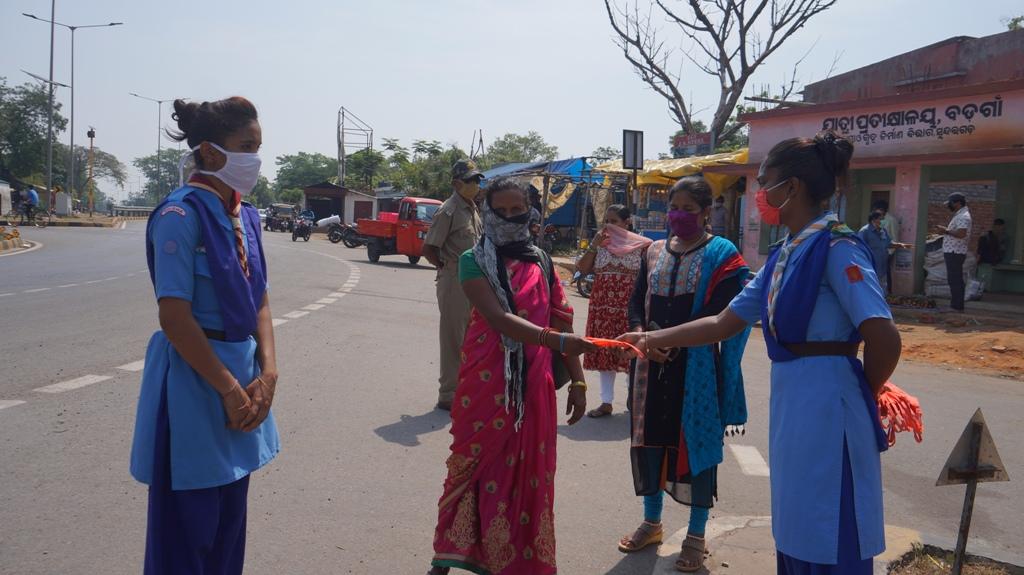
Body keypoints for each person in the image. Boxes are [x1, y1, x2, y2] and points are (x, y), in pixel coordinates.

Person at [619, 131, 903, 574]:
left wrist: (858, 397)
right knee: (796, 519)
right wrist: (652, 339)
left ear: (792, 187)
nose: (759, 194)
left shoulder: (836, 247)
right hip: (794, 401)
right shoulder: (786, 253)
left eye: (765, 181)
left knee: (831, 521)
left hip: (831, 402)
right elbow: (722, 323)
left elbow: (884, 338)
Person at [129, 96, 280, 575]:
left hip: (244, 376)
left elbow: (260, 300)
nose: (255, 158)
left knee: (228, 522)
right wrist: (231, 390)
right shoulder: (181, 215)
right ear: (211, 153)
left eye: (258, 146)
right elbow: (175, 319)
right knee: (186, 528)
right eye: (247, 146)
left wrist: (268, 374)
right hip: (196, 383)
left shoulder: (245, 215)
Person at [428, 177, 594, 575]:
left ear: (531, 210)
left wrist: (579, 379)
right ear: (486, 212)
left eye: (516, 209)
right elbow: (499, 319)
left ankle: (518, 560)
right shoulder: (473, 260)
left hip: (533, 382)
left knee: (528, 475)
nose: (507, 217)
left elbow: (562, 317)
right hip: (485, 383)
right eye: (498, 211)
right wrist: (554, 341)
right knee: (471, 465)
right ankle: (446, 556)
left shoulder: (543, 261)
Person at [614, 176, 750, 572]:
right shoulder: (653, 251)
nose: (679, 216)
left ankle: (695, 535)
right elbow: (637, 301)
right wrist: (642, 337)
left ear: (707, 212)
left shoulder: (723, 254)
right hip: (648, 367)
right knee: (650, 442)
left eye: (689, 209)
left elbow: (726, 313)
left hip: (696, 369)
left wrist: (671, 341)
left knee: (697, 450)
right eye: (675, 208)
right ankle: (652, 523)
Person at [576, 205, 649, 418]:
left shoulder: (643, 247)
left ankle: (633, 401)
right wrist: (594, 245)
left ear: (627, 223)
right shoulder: (601, 245)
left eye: (614, 221)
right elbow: (582, 268)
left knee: (630, 352)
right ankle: (606, 402)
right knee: (605, 353)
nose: (608, 226)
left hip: (629, 308)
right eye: (605, 221)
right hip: (601, 307)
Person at [423, 159, 485, 411]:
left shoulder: (471, 209)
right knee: (452, 338)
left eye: (478, 180)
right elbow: (429, 248)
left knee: (470, 338)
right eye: (471, 181)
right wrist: (447, 268)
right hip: (453, 280)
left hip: (473, 281)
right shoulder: (448, 209)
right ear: (457, 183)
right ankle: (448, 394)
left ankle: (465, 388)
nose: (477, 185)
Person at [936, 192, 972, 312]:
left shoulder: (963, 216)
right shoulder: (960, 215)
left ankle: (956, 306)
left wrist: (945, 231)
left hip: (955, 251)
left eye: (950, 203)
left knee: (955, 279)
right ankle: (956, 305)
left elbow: (961, 233)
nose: (949, 206)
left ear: (958, 203)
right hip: (953, 250)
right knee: (954, 278)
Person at [858, 211, 908, 291]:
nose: (883, 221)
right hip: (871, 266)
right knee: (871, 288)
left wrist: (899, 245)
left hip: (882, 266)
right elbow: (859, 247)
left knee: (882, 288)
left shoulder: (883, 231)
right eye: (881, 219)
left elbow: (888, 243)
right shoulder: (865, 231)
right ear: (874, 220)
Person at [872, 200, 899, 293]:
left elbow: (894, 237)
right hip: (875, 252)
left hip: (886, 251)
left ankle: (888, 293)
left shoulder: (891, 220)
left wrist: (890, 252)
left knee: (885, 273)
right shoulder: (874, 220)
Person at [977, 218, 1008, 287]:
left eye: (1002, 229)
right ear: (995, 227)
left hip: (995, 265)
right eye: (1000, 228)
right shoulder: (985, 237)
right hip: (985, 264)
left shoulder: (1002, 239)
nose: (1001, 230)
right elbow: (980, 252)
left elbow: (1002, 252)